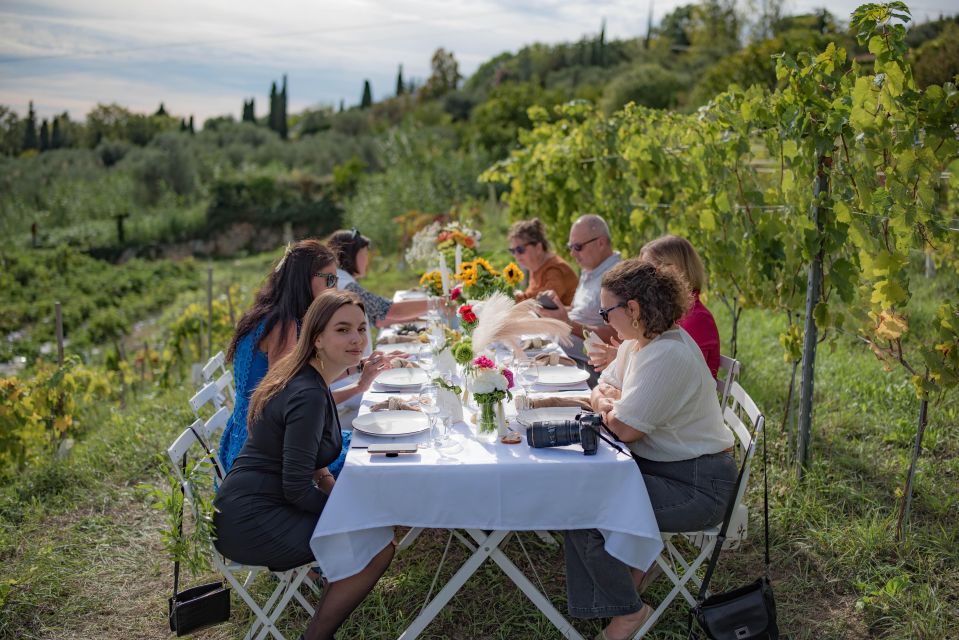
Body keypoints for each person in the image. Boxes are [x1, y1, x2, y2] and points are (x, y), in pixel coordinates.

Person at [565, 259, 736, 640]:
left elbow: (625, 429)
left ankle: (628, 611)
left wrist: (609, 405)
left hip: (698, 486)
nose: (605, 320)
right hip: (666, 468)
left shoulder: (666, 354)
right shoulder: (639, 344)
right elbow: (601, 387)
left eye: (607, 310)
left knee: (584, 508)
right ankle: (624, 582)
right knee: (579, 493)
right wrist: (609, 402)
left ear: (634, 309)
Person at [213, 290, 394, 640]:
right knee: (378, 543)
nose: (357, 338)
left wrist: (343, 502)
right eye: (342, 330)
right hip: (251, 521)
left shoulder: (311, 377)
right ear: (317, 339)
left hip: (258, 504)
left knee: (369, 529)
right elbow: (296, 487)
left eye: (360, 328)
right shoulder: (308, 392)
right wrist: (346, 511)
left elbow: (316, 470)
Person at [218, 240, 391, 475]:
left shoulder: (271, 313)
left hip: (247, 438)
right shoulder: (284, 325)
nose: (334, 288)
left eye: (336, 280)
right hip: (264, 455)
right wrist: (358, 383)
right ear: (303, 279)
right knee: (372, 456)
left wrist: (360, 374)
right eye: (329, 280)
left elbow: (306, 385)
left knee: (373, 445)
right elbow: (292, 403)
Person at [588, 235, 721, 379]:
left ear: (672, 271)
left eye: (648, 271)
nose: (640, 277)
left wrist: (622, 361)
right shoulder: (666, 311)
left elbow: (670, 370)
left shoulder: (696, 318)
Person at [535, 214, 621, 382]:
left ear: (601, 243)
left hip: (585, 368)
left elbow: (616, 335)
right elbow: (578, 312)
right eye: (570, 246)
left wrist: (568, 324)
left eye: (578, 247)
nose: (572, 253)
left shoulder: (617, 277)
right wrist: (555, 309)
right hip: (561, 355)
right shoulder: (589, 269)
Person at [327, 229, 429, 348]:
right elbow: (388, 310)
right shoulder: (346, 286)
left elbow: (378, 319)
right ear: (351, 255)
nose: (367, 260)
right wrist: (436, 303)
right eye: (364, 254)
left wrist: (418, 315)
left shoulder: (340, 279)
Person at [508, 218, 578, 306]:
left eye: (520, 249)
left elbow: (542, 303)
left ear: (538, 248)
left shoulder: (554, 270)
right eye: (512, 250)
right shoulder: (535, 267)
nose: (516, 255)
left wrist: (511, 297)